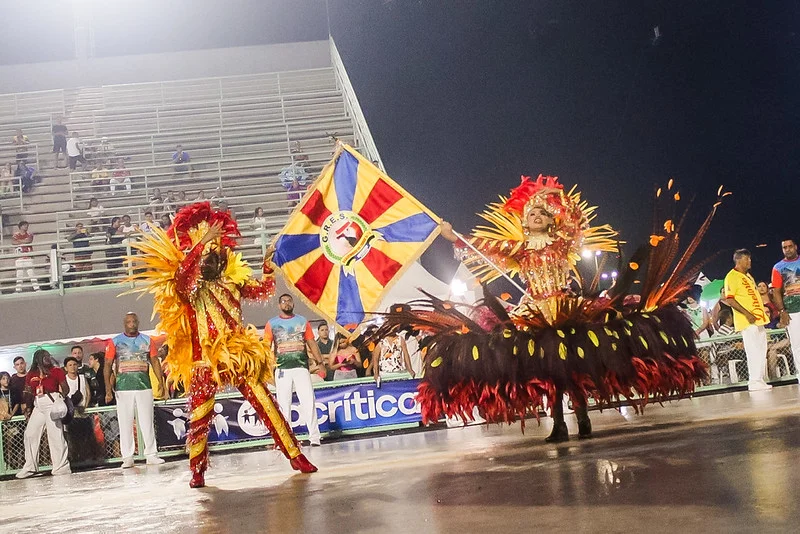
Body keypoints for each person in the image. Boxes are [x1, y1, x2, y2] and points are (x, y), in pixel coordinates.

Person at [375, 175, 719, 443]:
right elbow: (480, 246)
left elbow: (575, 221)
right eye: (531, 214)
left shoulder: (561, 241)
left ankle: (582, 416)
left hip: (567, 309)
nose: (536, 216)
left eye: (541, 213)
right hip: (538, 313)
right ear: (525, 223)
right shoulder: (520, 249)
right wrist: (451, 236)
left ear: (550, 219)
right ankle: (558, 422)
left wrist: (549, 196)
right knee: (550, 371)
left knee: (573, 366)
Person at [126, 202, 316, 488]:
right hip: (205, 361)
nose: (212, 258)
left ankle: (294, 454)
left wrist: (267, 267)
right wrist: (200, 243)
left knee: (267, 404)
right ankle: (197, 471)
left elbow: (263, 290)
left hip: (238, 355)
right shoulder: (191, 289)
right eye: (207, 254)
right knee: (200, 416)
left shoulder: (233, 282)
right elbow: (180, 279)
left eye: (216, 252)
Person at [104, 312, 166, 468]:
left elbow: (155, 362)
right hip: (123, 388)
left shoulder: (147, 340)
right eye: (129, 322)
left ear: (138, 322)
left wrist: (161, 383)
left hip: (144, 386)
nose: (132, 324)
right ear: (124, 323)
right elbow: (107, 366)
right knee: (125, 422)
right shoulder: (115, 342)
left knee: (147, 421)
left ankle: (151, 454)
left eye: (134, 321)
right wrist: (108, 390)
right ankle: (127, 457)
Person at [264, 294, 324, 446]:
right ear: (279, 305)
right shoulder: (272, 323)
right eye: (283, 301)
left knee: (308, 401)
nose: (287, 303)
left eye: (289, 300)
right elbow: (265, 347)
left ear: (293, 303)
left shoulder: (303, 321)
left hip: (301, 367)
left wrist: (320, 362)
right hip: (282, 369)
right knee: (284, 405)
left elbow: (311, 343)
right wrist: (265, 368)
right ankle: (286, 440)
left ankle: (315, 437)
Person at [15, 349, 71, 478]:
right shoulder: (32, 374)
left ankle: (61, 467)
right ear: (37, 359)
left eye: (48, 356)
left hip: (52, 402)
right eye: (44, 356)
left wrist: (60, 397)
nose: (47, 358)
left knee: (55, 435)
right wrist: (28, 408)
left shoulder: (56, 371)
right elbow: (28, 391)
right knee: (30, 433)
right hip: (38, 404)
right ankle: (30, 467)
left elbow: (65, 387)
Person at [722, 249, 772, 392]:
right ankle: (754, 381)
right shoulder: (731, 276)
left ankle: (760, 379)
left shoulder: (748, 276)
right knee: (753, 350)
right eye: (747, 259)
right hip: (747, 320)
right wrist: (747, 314)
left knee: (762, 349)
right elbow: (730, 299)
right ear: (738, 260)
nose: (749, 261)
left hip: (758, 319)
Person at [771, 239, 800, 371]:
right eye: (784, 247)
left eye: (790, 246)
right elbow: (776, 291)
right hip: (792, 310)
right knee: (797, 345)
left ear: (795, 247)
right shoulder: (778, 267)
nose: (787, 249)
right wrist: (782, 311)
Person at [12, 220, 40, 292]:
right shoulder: (15, 234)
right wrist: (23, 241)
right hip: (19, 256)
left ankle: (36, 288)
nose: (26, 227)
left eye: (27, 225)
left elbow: (29, 241)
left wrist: (19, 241)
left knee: (31, 273)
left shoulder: (29, 234)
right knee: (19, 274)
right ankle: (18, 289)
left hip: (28, 256)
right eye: (24, 225)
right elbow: (13, 242)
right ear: (20, 227)